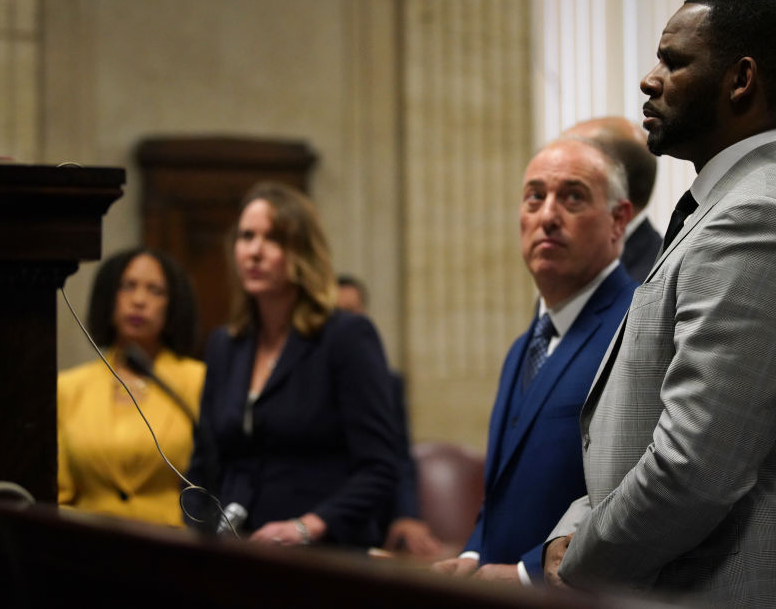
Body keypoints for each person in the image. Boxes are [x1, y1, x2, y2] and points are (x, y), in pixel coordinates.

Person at [543, 0, 776, 606]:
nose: (650, 80)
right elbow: (645, 424)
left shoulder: (760, 217)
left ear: (740, 80)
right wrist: (575, 525)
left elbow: (695, 468)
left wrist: (582, 562)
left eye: (673, 61)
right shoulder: (729, 204)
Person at [432, 136, 637, 583]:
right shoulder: (524, 346)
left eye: (573, 197)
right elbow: (503, 493)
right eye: (534, 197)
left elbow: (633, 492)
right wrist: (473, 555)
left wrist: (528, 575)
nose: (547, 216)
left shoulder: (638, 326)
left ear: (618, 220)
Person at [185, 182, 400, 548]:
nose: (254, 251)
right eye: (246, 237)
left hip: (322, 551)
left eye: (273, 239)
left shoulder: (346, 337)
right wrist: (199, 532)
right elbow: (203, 466)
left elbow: (380, 467)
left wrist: (308, 526)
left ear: (303, 252)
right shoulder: (225, 345)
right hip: (236, 549)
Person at [58, 248, 205, 527]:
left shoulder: (198, 381)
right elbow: (60, 495)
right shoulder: (69, 388)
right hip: (87, 539)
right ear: (108, 297)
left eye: (155, 291)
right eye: (128, 286)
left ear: (173, 305)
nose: (139, 301)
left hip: (172, 539)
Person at [335, 274, 444, 559]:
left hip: (373, 523)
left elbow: (398, 456)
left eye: (352, 312)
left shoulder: (386, 382)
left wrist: (405, 515)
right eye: (337, 313)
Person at [561, 116, 661, 282]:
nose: (547, 213)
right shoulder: (568, 267)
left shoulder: (652, 285)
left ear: (615, 182)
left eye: (574, 195)